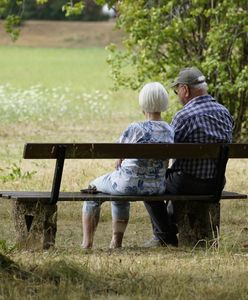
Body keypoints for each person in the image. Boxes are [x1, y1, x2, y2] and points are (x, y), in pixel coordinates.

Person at [144, 67, 234, 247]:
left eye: (177, 90)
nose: (177, 95)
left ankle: (164, 235)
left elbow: (165, 150)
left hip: (187, 182)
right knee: (173, 179)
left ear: (185, 89)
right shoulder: (224, 112)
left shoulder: (184, 116)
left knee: (149, 184)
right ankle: (170, 227)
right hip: (215, 183)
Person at [81, 82, 174, 249]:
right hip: (156, 187)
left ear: (143, 103)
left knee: (92, 188)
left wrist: (121, 159)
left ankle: (87, 243)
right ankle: (116, 242)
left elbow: (117, 153)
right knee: (118, 191)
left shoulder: (135, 128)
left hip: (127, 184)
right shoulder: (170, 130)